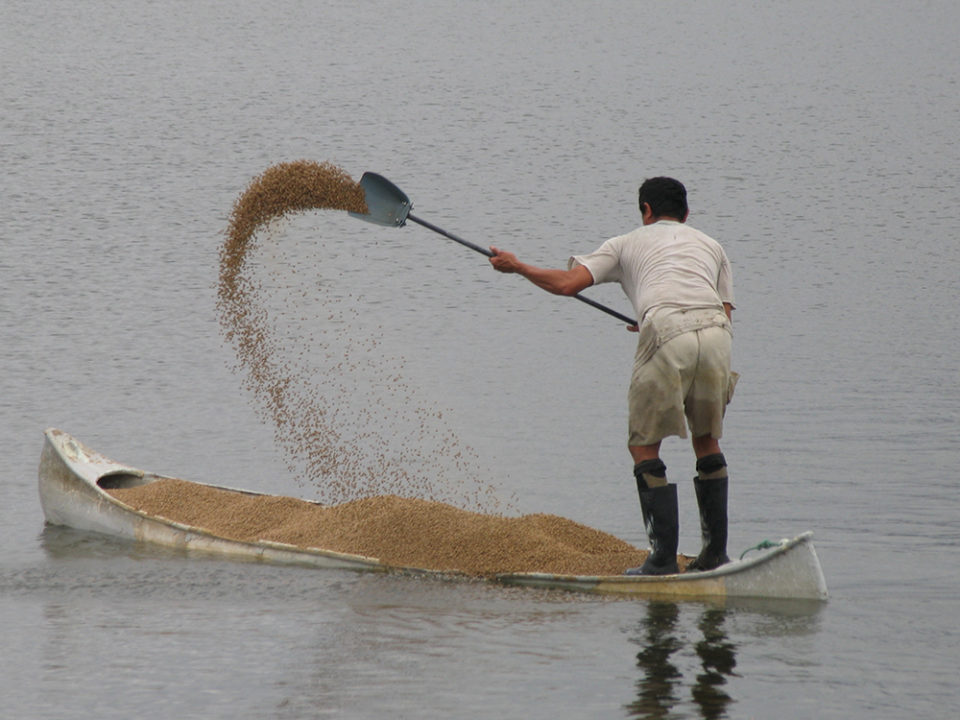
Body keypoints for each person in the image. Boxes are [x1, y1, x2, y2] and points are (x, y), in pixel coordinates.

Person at [488, 177, 736, 575]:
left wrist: (517, 267)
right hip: (717, 333)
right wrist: (655, 318)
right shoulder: (712, 246)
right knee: (706, 440)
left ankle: (661, 561)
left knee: (644, 446)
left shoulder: (626, 243)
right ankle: (715, 556)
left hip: (666, 332)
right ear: (687, 215)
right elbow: (722, 312)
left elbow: (569, 285)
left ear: (646, 211)